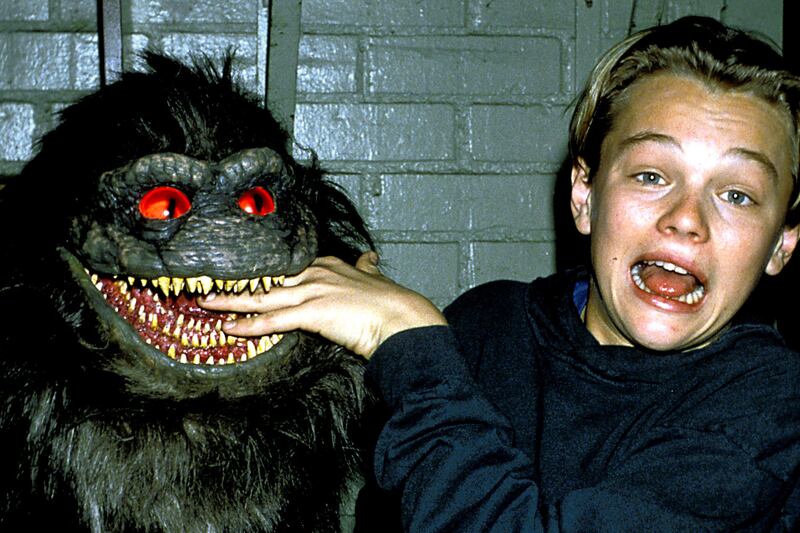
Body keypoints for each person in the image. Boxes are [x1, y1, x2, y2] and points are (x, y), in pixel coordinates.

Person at [201, 16, 800, 531]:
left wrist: (404, 340)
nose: (687, 220)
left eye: (738, 195)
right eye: (651, 175)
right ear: (585, 195)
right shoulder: (486, 324)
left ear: (782, 243)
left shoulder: (771, 403)